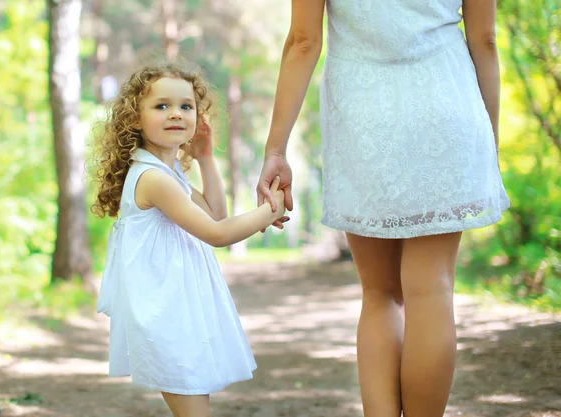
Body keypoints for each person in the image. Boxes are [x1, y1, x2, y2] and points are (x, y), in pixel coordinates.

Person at [256, 1, 510, 417]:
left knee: (379, 293)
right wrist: (489, 143)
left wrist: (275, 150)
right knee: (431, 286)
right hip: (448, 108)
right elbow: (484, 40)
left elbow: (303, 42)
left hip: (363, 118)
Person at [91, 63, 287, 417]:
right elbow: (218, 234)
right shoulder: (153, 179)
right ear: (135, 119)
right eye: (161, 106)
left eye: (186, 106)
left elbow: (215, 213)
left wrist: (207, 159)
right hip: (165, 313)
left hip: (177, 307)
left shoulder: (168, 173)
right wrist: (272, 210)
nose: (176, 114)